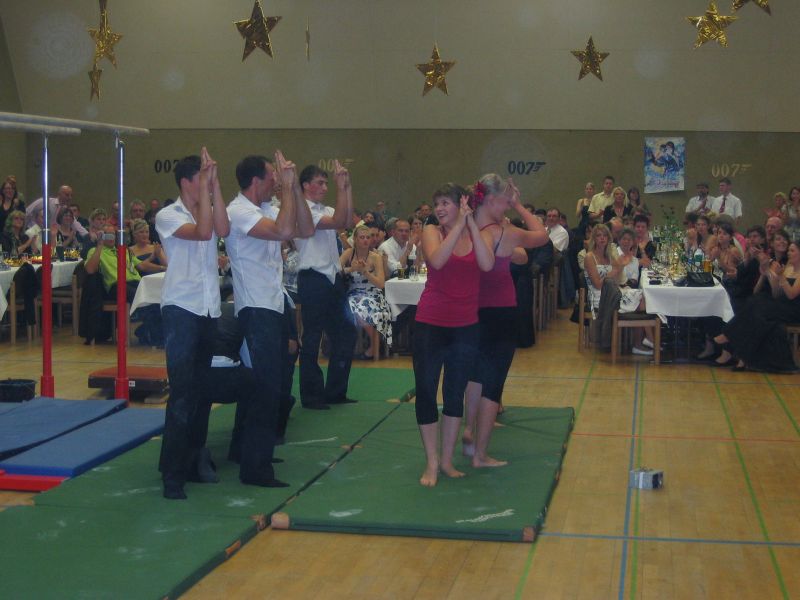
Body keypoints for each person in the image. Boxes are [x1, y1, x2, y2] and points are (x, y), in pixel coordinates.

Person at [226, 151, 313, 488]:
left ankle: (244, 451)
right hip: (255, 307)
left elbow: (304, 229)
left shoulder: (265, 208)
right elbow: (282, 231)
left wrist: (295, 190)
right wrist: (288, 188)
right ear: (256, 181)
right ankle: (255, 469)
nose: (276, 181)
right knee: (265, 388)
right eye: (272, 177)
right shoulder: (238, 211)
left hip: (273, 304)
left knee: (264, 385)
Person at [156, 148, 230, 500]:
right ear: (187, 182)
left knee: (201, 393)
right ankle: (172, 474)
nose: (206, 183)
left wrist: (216, 187)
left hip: (208, 309)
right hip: (181, 309)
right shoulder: (168, 215)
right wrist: (206, 193)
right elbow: (202, 233)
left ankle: (194, 460)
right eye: (201, 178)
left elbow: (223, 229)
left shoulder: (208, 208)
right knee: (182, 395)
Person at [462, 175, 548, 468]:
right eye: (504, 201)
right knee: (493, 382)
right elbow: (541, 234)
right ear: (491, 200)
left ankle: (469, 429)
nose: (507, 207)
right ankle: (481, 455)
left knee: (476, 374)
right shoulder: (503, 232)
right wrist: (520, 206)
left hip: (473, 312)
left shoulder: (468, 227)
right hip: (500, 313)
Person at [413, 183, 494, 487]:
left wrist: (469, 223)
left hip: (465, 325)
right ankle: (432, 461)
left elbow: (486, 264)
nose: (439, 209)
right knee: (426, 389)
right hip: (431, 324)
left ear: (462, 204)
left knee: (454, 392)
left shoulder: (475, 233)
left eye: (446, 203)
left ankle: (446, 460)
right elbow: (437, 260)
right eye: (438, 204)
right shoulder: (432, 231)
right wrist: (459, 223)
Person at [295, 161, 356, 410]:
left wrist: (347, 186)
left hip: (332, 277)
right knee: (312, 336)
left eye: (326, 183)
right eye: (320, 183)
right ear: (305, 186)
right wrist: (341, 188)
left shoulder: (324, 209)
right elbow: (339, 219)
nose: (325, 187)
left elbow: (347, 220)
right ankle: (311, 396)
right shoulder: (302, 210)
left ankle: (335, 391)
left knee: (346, 333)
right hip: (313, 278)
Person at [713, 241, 800, 372]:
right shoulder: (787, 267)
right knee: (756, 302)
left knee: (758, 305)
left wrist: (781, 276)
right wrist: (769, 274)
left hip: (793, 309)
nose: (788, 253)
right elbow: (776, 293)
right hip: (781, 304)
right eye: (789, 250)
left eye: (792, 251)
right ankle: (743, 355)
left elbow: (792, 295)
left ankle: (729, 334)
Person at [341, 224, 392, 359]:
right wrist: (351, 269)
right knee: (352, 306)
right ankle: (375, 341)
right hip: (353, 292)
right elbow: (335, 271)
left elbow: (381, 284)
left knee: (359, 307)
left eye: (368, 237)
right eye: (362, 237)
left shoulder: (375, 257)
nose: (365, 240)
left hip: (373, 294)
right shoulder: (349, 253)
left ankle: (374, 345)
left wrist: (365, 272)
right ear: (355, 239)